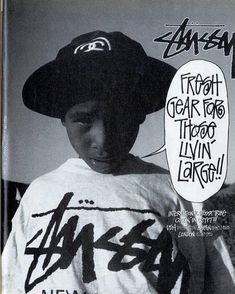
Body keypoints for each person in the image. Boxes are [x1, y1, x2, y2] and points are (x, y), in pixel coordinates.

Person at [2, 31, 235, 294]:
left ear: (140, 116)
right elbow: (12, 282)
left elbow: (219, 284)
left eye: (120, 118)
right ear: (63, 118)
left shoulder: (182, 194)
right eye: (84, 120)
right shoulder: (39, 195)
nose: (103, 140)